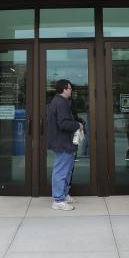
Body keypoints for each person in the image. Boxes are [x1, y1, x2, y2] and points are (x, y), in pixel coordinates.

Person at [46, 78, 83, 211]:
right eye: (69, 88)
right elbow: (63, 123)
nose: (71, 90)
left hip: (65, 142)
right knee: (61, 171)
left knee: (66, 171)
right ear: (64, 89)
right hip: (62, 142)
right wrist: (77, 125)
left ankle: (64, 194)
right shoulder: (60, 103)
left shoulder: (61, 102)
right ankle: (58, 200)